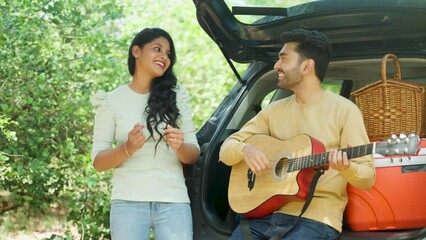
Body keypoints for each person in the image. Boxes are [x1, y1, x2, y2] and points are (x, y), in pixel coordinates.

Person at [219, 28, 376, 240]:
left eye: (283, 59)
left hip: (317, 220)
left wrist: (347, 168)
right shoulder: (273, 110)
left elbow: (368, 177)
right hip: (264, 215)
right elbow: (225, 150)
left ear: (306, 66)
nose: (276, 65)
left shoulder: (345, 110)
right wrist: (244, 149)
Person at [90, 28, 200, 240]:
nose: (164, 57)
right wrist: (127, 148)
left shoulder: (177, 97)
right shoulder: (110, 101)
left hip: (174, 202)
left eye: (168, 53)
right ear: (136, 51)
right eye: (157, 49)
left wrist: (180, 147)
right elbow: (98, 162)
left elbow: (193, 154)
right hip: (127, 202)